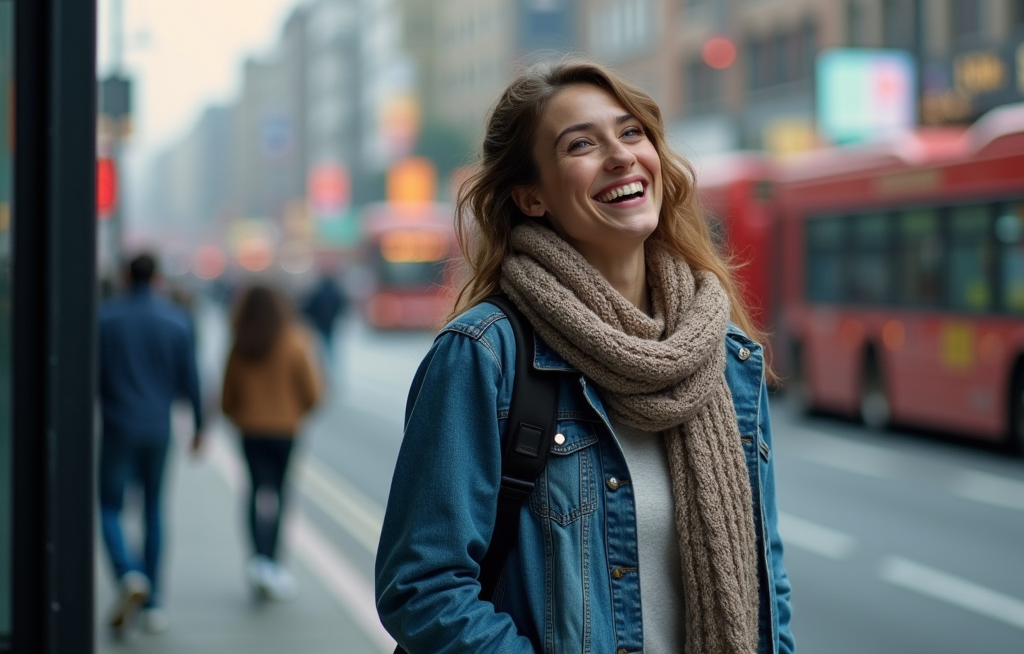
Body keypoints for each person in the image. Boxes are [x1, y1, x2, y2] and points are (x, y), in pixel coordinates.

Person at [375, 61, 795, 653]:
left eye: (631, 133)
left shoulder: (723, 358)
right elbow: (420, 587)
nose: (621, 156)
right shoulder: (485, 355)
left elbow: (765, 587)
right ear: (532, 196)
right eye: (581, 144)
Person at [98, 252, 204, 635]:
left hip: (116, 427)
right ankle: (154, 603)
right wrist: (200, 426)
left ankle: (128, 572)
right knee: (154, 510)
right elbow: (191, 378)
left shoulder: (105, 318)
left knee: (109, 506)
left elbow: (91, 375)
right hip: (158, 430)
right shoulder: (176, 320)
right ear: (157, 278)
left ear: (126, 277)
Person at [221, 284, 322, 602]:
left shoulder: (240, 343)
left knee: (254, 490)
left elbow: (226, 396)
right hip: (285, 431)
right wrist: (293, 414)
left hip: (250, 430)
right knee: (280, 494)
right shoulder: (295, 340)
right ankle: (274, 564)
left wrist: (242, 415)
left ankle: (257, 560)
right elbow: (314, 393)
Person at [300, 269, 345, 380]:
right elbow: (342, 305)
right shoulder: (336, 292)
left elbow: (309, 307)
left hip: (319, 324)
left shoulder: (317, 292)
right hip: (330, 324)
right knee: (330, 347)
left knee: (320, 349)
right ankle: (330, 368)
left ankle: (322, 370)